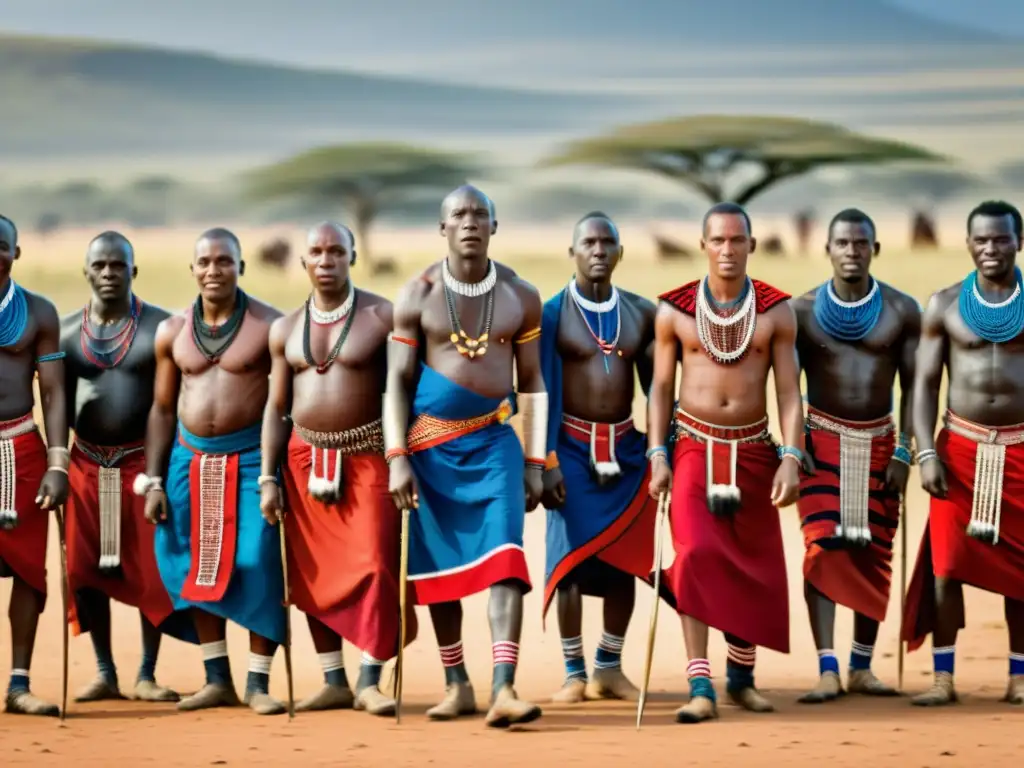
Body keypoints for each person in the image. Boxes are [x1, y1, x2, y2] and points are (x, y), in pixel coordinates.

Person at [385, 185, 545, 728]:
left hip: (495, 444)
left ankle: (505, 686)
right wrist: (396, 456)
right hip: (428, 449)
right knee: (440, 569)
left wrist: (535, 462)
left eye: (480, 214)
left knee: (505, 557)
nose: (470, 222)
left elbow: (534, 384)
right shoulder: (417, 294)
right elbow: (395, 386)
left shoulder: (521, 295)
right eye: (459, 214)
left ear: (495, 227)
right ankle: (457, 684)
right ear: (442, 227)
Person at [647, 202, 805, 724]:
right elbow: (660, 390)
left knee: (750, 566)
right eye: (718, 240)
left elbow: (788, 392)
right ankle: (700, 684)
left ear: (752, 246)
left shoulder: (777, 312)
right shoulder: (674, 311)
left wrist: (791, 455)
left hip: (755, 450)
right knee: (694, 559)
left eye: (737, 240)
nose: (728, 250)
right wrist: (658, 455)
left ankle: (741, 680)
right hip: (693, 446)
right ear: (703, 245)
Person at [260, 221, 416, 716]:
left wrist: (398, 459)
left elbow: (401, 392)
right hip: (303, 460)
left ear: (352, 257)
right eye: (317, 252)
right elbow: (276, 407)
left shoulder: (381, 316)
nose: (326, 261)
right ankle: (334, 680)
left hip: (369, 454)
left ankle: (370, 679)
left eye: (336, 252)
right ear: (303, 261)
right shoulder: (284, 329)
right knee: (312, 574)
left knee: (375, 564)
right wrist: (268, 477)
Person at [138, 227, 287, 715]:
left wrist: (270, 473)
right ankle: (216, 678)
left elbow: (279, 406)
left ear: (241, 267)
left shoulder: (269, 325)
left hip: (249, 460)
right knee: (192, 565)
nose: (213, 270)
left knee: (257, 561)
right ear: (193, 269)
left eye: (224, 261)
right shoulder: (172, 332)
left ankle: (258, 684)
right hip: (189, 460)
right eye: (204, 262)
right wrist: (155, 479)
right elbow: (162, 409)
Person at [790, 209, 921, 703]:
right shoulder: (800, 312)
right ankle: (827, 668)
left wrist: (906, 452)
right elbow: (785, 388)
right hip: (819, 443)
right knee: (823, 548)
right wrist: (792, 444)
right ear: (826, 249)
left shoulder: (902, 311)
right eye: (842, 243)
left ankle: (861, 667)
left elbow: (917, 389)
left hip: (881, 444)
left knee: (872, 553)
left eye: (860, 243)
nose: (851, 251)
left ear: (875, 249)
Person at [61, 231, 195, 705]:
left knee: (148, 571)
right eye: (99, 266)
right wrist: (58, 464)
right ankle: (104, 671)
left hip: (143, 463)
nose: (108, 273)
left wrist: (158, 475)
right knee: (83, 569)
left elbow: (167, 406)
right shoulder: (64, 334)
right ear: (86, 272)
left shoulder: (160, 327)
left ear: (133, 271)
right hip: (85, 465)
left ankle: (146, 673)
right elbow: (54, 401)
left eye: (118, 265)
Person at [539, 212, 667, 703]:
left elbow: (657, 392)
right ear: (572, 252)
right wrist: (545, 461)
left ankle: (608, 666)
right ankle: (574, 672)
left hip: (626, 449)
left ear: (619, 253)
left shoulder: (640, 313)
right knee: (570, 560)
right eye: (588, 243)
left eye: (606, 243)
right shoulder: (551, 314)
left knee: (624, 558)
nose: (597, 251)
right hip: (568, 449)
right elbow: (540, 392)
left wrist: (660, 452)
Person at [903, 200, 1024, 707]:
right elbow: (924, 386)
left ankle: (1018, 677)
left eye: (1001, 238)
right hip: (959, 453)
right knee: (946, 568)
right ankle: (944, 677)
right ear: (968, 242)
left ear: (1019, 241)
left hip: (1020, 451)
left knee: (1021, 573)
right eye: (982, 239)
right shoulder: (945, 305)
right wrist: (925, 451)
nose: (991, 248)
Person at [0, 214, 69, 716]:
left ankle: (18, 684)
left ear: (15, 254)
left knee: (28, 570)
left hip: (21, 448)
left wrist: (57, 463)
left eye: (0, 246)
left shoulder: (38, 312)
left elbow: (53, 392)